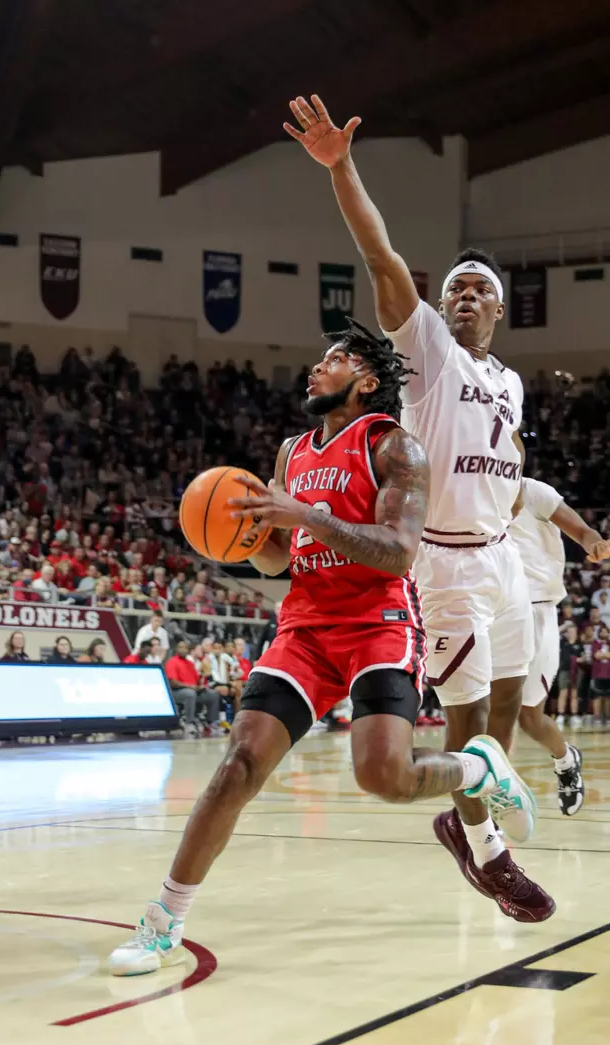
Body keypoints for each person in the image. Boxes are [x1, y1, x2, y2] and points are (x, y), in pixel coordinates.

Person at [109, 316, 537, 976]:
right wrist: (247, 537)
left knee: (381, 776)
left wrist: (304, 515)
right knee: (236, 768)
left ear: (365, 380)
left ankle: (476, 768)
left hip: (378, 624)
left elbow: (397, 553)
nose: (316, 367)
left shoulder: (397, 448)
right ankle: (163, 922)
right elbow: (287, 557)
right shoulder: (291, 453)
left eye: (333, 359)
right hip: (305, 628)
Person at [284, 94, 551, 920]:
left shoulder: (507, 380)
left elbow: (499, 463)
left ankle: (472, 811)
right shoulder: (427, 348)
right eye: (457, 288)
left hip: (501, 552)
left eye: (479, 291)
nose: (464, 298)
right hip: (443, 561)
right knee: (467, 714)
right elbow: (380, 254)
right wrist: (342, 167)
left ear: (500, 309)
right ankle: (483, 849)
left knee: (509, 697)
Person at [511, 477, 610, 814]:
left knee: (529, 718)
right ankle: (493, 799)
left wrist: (594, 543)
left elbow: (583, 531)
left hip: (538, 609)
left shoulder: (532, 491)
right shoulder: (472, 491)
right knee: (484, 712)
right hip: (492, 611)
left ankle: (566, 759)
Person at [163, 640, 221, 736]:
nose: (184, 650)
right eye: (181, 647)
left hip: (193, 690)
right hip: (176, 692)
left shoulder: (190, 663)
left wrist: (201, 683)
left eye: (186, 648)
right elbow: (173, 683)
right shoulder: (172, 662)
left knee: (213, 694)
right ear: (176, 649)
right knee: (190, 693)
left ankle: (211, 722)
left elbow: (197, 680)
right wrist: (191, 687)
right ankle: (189, 723)